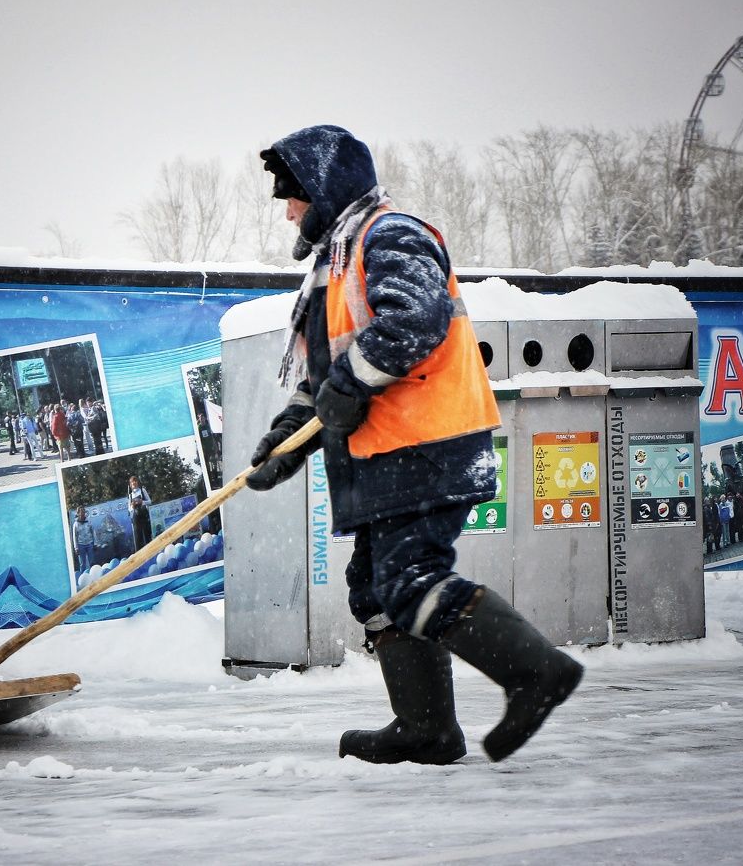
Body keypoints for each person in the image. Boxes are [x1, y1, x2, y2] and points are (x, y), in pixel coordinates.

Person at [246, 125, 583, 765]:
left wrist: (346, 386)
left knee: (408, 580)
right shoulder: (333, 266)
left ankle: (536, 672)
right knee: (375, 587)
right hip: (384, 453)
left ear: (322, 190)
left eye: (291, 195)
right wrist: (286, 441)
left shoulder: (390, 233)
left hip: (428, 443)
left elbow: (414, 318)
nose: (286, 209)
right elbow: (327, 379)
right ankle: (426, 728)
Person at [127, 475, 152, 551]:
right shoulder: (130, 495)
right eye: (132, 482)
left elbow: (150, 502)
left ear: (137, 482)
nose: (134, 483)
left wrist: (142, 502)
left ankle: (151, 551)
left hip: (144, 514)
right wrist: (132, 506)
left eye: (135, 481)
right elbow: (129, 509)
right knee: (138, 537)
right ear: (130, 485)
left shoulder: (142, 490)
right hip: (136, 517)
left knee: (147, 535)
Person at [72, 506, 96, 574]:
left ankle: (93, 575)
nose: (83, 513)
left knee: (92, 561)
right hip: (81, 545)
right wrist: (76, 548)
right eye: (81, 511)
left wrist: (95, 543)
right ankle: (83, 576)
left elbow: (93, 532)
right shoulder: (75, 524)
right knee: (82, 563)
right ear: (78, 513)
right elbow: (74, 536)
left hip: (90, 543)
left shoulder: (89, 521)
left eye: (84, 511)